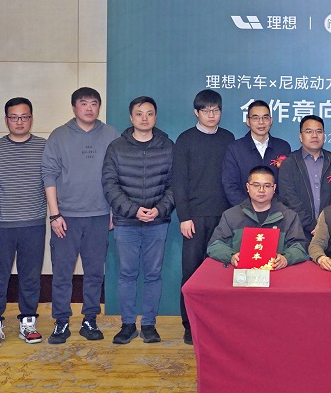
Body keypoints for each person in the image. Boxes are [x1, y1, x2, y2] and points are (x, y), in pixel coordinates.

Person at [41, 87, 119, 344]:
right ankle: (61, 321)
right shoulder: (59, 135)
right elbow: (49, 175)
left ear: (99, 107)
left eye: (94, 103)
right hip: (66, 217)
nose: (89, 108)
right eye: (83, 103)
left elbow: (117, 176)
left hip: (100, 215)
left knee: (94, 272)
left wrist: (113, 211)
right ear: (74, 107)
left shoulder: (111, 134)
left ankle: (90, 319)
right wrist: (55, 215)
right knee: (62, 273)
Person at [102, 96, 175, 345]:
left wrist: (159, 209)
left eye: (150, 113)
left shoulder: (167, 146)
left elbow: (175, 184)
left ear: (156, 117)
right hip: (126, 222)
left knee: (153, 274)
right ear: (131, 117)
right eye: (139, 113)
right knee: (127, 274)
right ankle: (127, 325)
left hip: (157, 221)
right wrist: (133, 210)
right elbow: (109, 184)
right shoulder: (116, 147)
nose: (145, 118)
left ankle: (149, 325)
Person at [0, 97, 47, 348]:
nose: (19, 122)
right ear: (6, 120)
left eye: (24, 117)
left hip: (33, 223)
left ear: (32, 118)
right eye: (14, 117)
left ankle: (28, 322)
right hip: (1, 225)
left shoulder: (44, 146)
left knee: (30, 276)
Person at [172, 89, 235, 345]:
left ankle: (217, 324)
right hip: (195, 218)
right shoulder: (185, 139)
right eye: (206, 110)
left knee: (221, 273)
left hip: (223, 217)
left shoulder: (228, 138)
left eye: (215, 110)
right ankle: (189, 325)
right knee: (192, 273)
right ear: (196, 112)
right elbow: (179, 182)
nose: (211, 115)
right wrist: (184, 216)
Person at [207, 166, 308, 268]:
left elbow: (300, 247)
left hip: (278, 272)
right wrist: (231, 256)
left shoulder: (289, 216)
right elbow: (215, 245)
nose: (261, 190)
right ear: (248, 187)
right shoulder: (231, 215)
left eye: (267, 186)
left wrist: (286, 258)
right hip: (240, 274)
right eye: (256, 185)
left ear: (274, 188)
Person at [277, 115, 331, 242]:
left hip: (329, 232)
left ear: (324, 135)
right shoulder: (289, 163)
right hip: (297, 230)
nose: (314, 135)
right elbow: (288, 197)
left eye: (319, 131)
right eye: (309, 131)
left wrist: (324, 224)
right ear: (300, 137)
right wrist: (311, 225)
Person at [222, 99, 292, 208]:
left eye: (265, 117)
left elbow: (287, 185)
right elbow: (230, 185)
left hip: (277, 211)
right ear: (248, 121)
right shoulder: (235, 149)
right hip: (243, 212)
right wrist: (249, 209)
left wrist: (277, 208)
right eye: (255, 118)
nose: (261, 122)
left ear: (271, 120)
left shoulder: (283, 147)